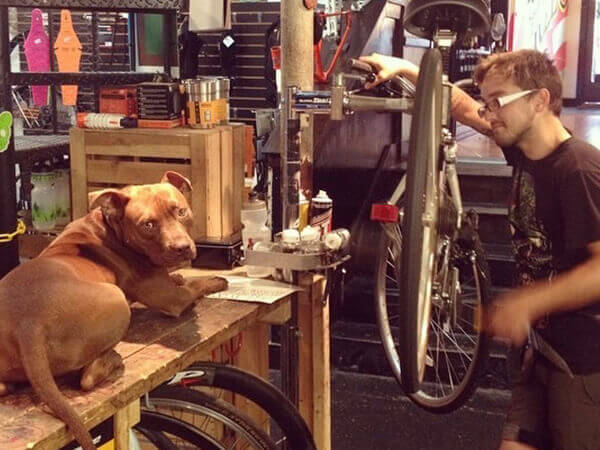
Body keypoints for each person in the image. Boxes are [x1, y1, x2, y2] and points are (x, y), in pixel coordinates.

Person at [360, 49, 600, 450]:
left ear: (540, 100)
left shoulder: (578, 170)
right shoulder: (525, 149)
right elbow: (462, 106)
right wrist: (408, 68)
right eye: (488, 102)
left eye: (498, 101)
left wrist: (528, 303)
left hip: (584, 364)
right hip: (540, 352)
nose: (488, 115)